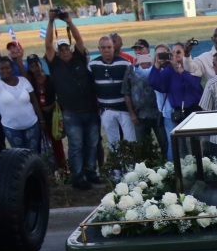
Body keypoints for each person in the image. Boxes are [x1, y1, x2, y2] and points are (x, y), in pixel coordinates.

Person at [45, 10, 102, 189]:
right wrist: (50, 21)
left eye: (66, 48)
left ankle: (91, 173)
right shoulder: (54, 65)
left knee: (92, 144)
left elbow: (79, 40)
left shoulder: (78, 58)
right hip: (71, 113)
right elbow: (47, 45)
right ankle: (77, 177)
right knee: (76, 146)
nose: (64, 52)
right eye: (60, 50)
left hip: (90, 110)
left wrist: (69, 21)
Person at [149, 43, 204, 157]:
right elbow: (155, 83)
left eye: (178, 52)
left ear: (185, 54)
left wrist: (179, 69)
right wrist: (157, 65)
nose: (175, 55)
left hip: (194, 111)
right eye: (173, 52)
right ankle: (178, 171)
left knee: (195, 144)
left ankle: (199, 169)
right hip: (178, 112)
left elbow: (194, 84)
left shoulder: (192, 66)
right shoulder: (169, 70)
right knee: (177, 145)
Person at [91, 35, 135, 152]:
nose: (107, 50)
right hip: (106, 110)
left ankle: (133, 168)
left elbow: (131, 87)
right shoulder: (92, 65)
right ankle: (117, 169)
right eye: (103, 47)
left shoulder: (125, 64)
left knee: (131, 141)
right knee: (113, 143)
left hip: (124, 109)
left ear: (113, 48)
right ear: (99, 48)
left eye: (109, 47)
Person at [0, 56, 43, 151]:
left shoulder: (23, 81)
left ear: (12, 69)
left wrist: (41, 120)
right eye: (2, 68)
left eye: (7, 68)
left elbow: (34, 101)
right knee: (19, 155)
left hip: (31, 124)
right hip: (11, 127)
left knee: (33, 154)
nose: (5, 70)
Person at [124, 41, 166, 153]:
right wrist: (132, 113)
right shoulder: (130, 69)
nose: (138, 51)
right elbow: (126, 92)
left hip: (157, 113)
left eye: (141, 48)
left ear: (148, 50)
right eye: (136, 49)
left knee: (164, 143)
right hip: (140, 114)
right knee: (142, 147)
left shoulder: (157, 67)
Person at [26, 54, 66, 168]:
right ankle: (47, 170)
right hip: (37, 118)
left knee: (57, 143)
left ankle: (64, 169)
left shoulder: (50, 79)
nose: (35, 68)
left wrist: (52, 105)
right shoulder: (30, 83)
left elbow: (60, 95)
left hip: (53, 116)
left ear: (40, 64)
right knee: (41, 145)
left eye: (37, 65)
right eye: (32, 66)